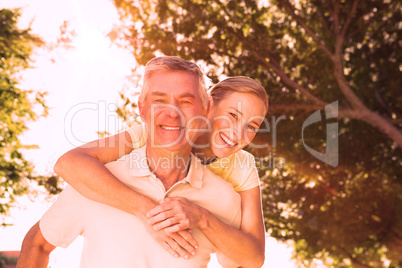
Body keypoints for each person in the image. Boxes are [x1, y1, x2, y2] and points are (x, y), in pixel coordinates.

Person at [17, 56, 246, 267]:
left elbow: (244, 263)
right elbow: (36, 245)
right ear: (142, 108)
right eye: (160, 100)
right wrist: (149, 212)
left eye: (186, 101)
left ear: (206, 109)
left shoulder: (224, 198)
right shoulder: (95, 181)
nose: (173, 112)